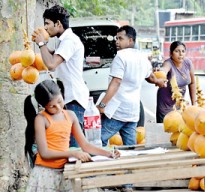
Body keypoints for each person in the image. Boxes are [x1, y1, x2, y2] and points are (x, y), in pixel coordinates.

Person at [97, 25, 166, 192]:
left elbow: (116, 82)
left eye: (120, 38)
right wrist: (158, 82)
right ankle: (127, 185)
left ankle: (103, 179)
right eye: (116, 39)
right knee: (130, 150)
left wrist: (102, 105)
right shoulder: (143, 58)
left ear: (131, 40)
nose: (117, 42)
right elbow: (149, 76)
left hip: (118, 110)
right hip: (133, 112)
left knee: (99, 140)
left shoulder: (120, 56)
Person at [24, 79, 120, 191]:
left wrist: (108, 153)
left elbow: (85, 145)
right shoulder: (41, 119)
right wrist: (73, 153)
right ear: (43, 105)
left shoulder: (71, 115)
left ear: (62, 94)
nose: (58, 108)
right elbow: (44, 153)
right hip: (45, 173)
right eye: (52, 106)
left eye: (59, 102)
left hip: (66, 171)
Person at [32, 5, 89, 148]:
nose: (45, 28)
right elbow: (53, 54)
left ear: (58, 24)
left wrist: (41, 44)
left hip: (73, 98)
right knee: (67, 142)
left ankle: (77, 169)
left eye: (47, 23)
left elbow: (51, 64)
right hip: (68, 98)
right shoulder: (63, 40)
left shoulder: (69, 41)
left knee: (73, 145)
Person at [156, 41, 196, 123]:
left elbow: (192, 83)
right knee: (166, 128)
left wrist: (194, 104)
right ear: (171, 53)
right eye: (177, 51)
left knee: (179, 129)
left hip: (179, 103)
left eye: (183, 51)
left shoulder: (188, 63)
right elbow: (164, 70)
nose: (180, 54)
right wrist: (160, 71)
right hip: (165, 104)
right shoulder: (168, 63)